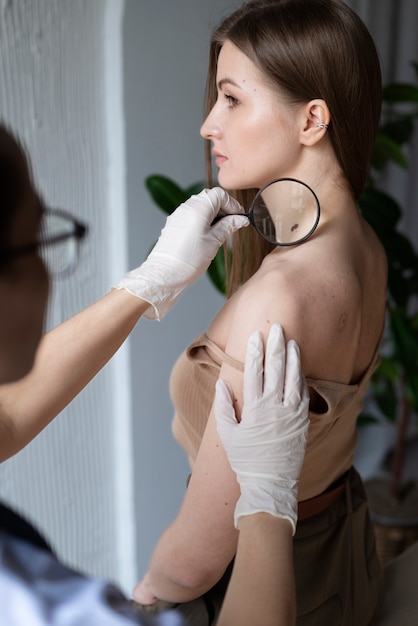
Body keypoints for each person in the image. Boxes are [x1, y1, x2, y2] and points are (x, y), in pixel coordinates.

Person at [132, 1, 388, 624]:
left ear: (312, 121)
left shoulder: (279, 298)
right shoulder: (364, 243)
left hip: (266, 583)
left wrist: (137, 598)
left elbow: (195, 562)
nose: (208, 125)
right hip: (342, 555)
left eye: (232, 99)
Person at [0, 122, 310, 625]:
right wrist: (268, 501)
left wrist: (149, 283)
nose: (208, 125)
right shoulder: (31, 605)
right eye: (40, 237)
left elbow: (5, 421)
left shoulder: (278, 297)